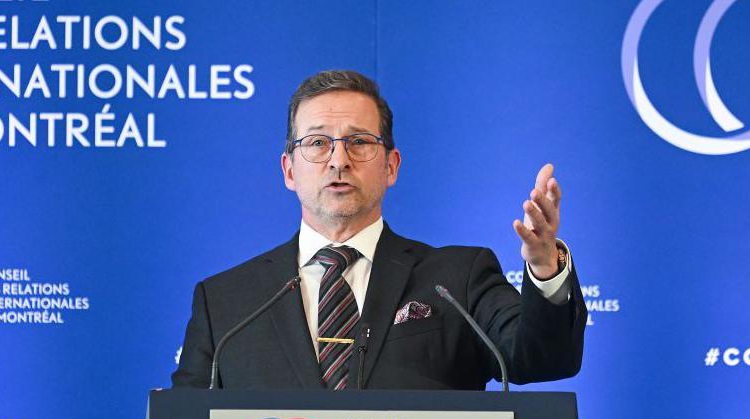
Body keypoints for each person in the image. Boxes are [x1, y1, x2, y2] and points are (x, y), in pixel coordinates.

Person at [172, 70, 587, 390]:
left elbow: (542, 359)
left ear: (391, 166)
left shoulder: (457, 279)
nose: (338, 160)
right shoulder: (227, 304)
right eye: (317, 143)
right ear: (289, 170)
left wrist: (546, 269)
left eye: (359, 142)